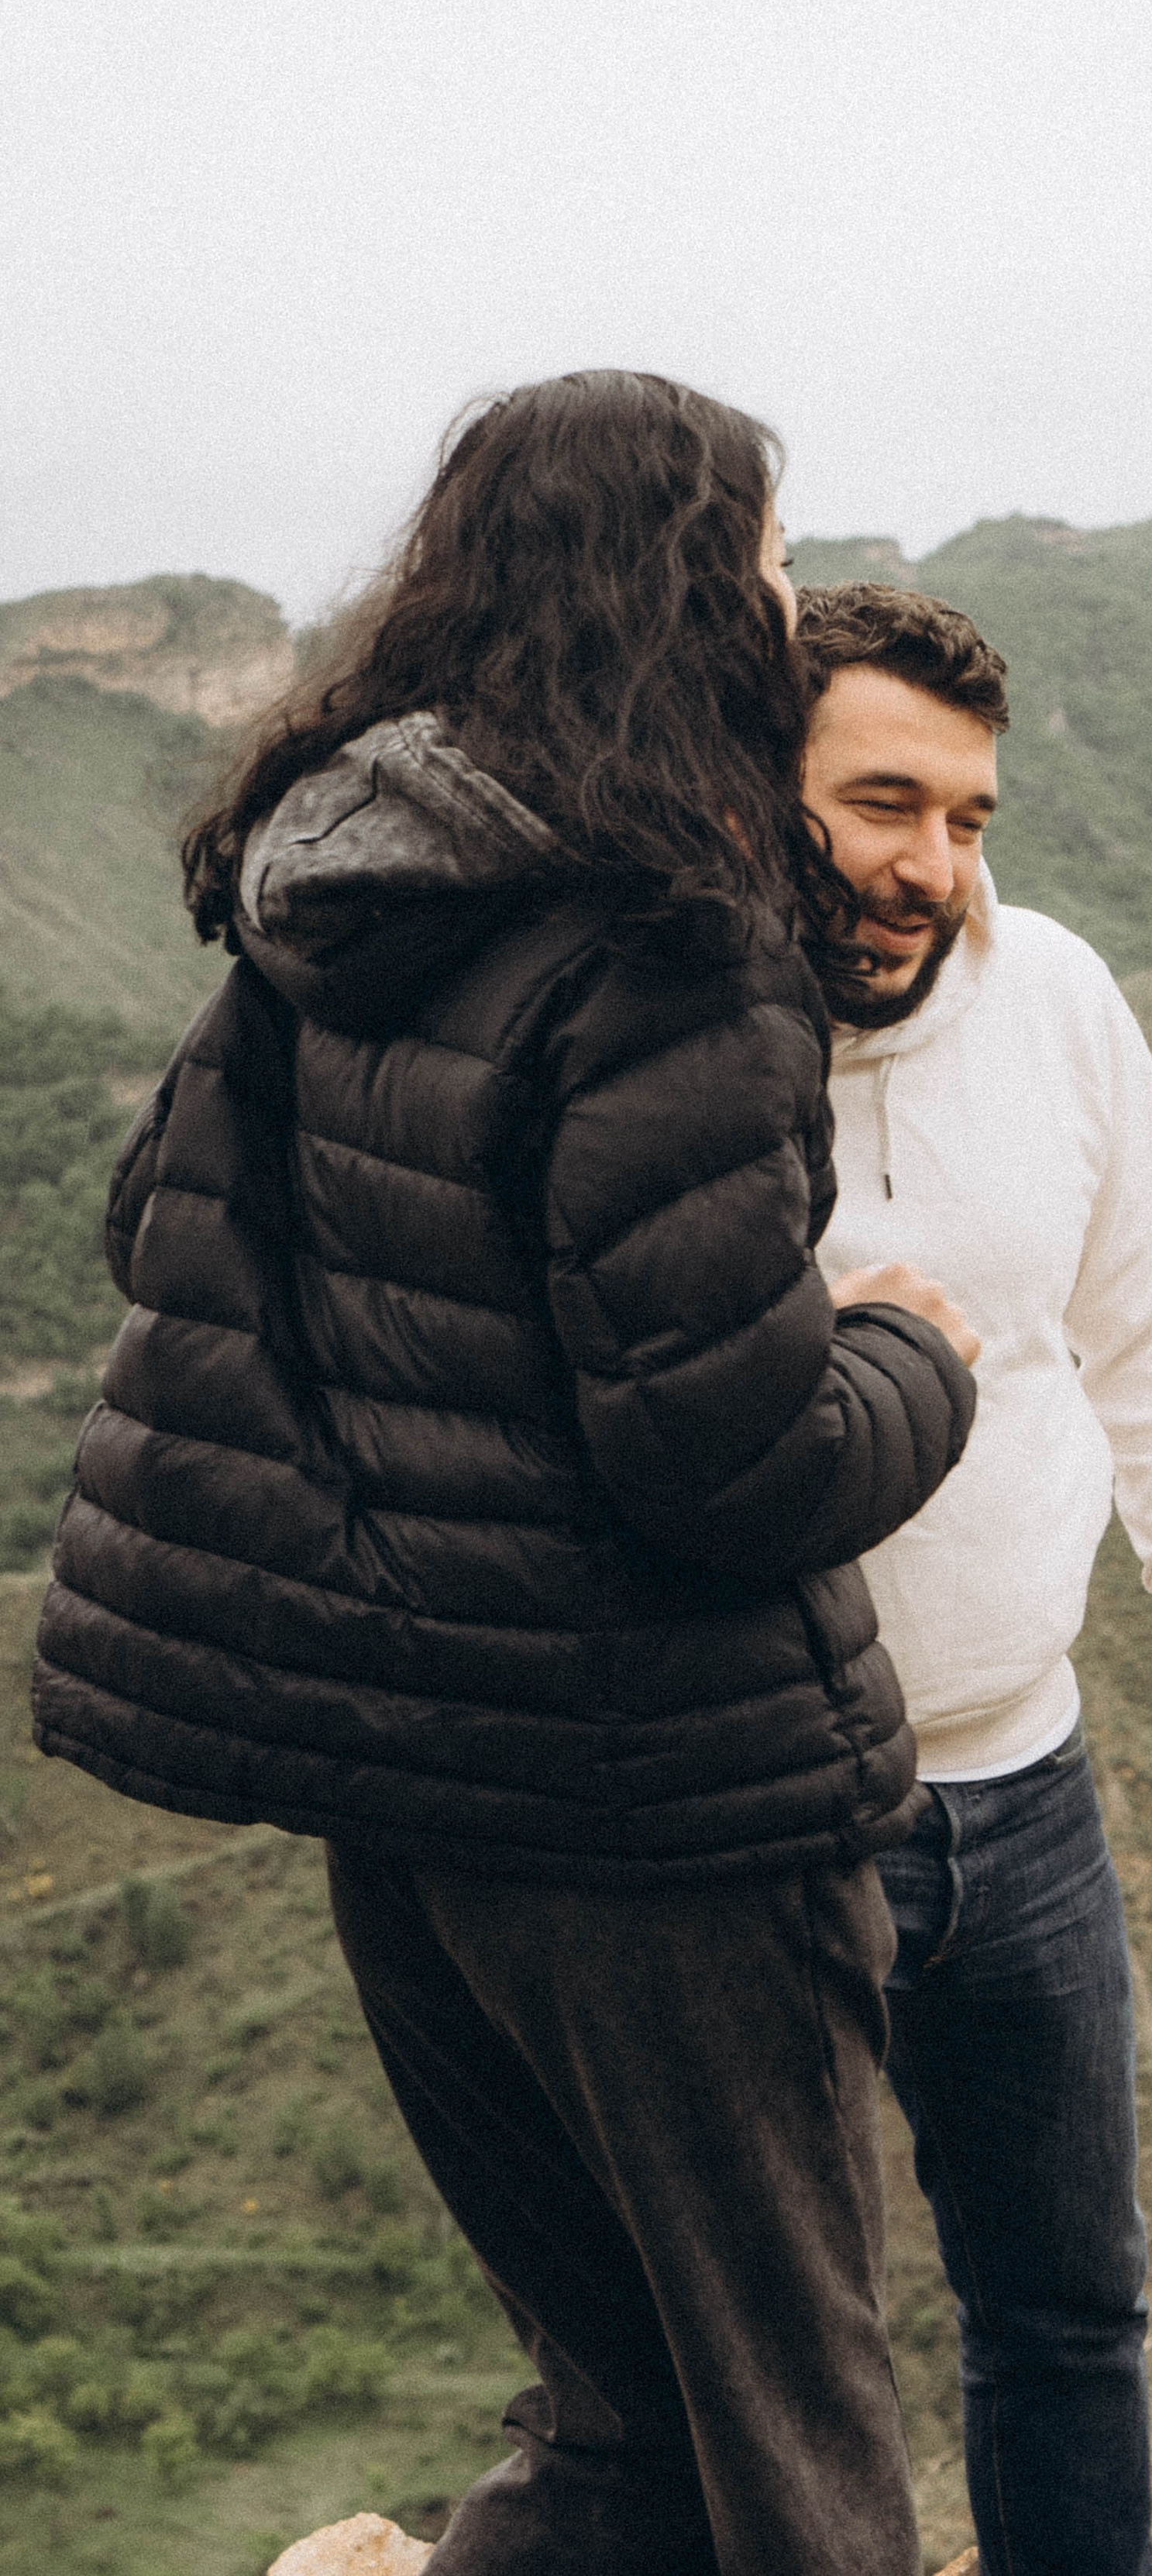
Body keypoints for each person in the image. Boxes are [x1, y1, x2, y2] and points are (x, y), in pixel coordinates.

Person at [33, 375, 981, 2576]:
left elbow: (192, 1285)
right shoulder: (666, 946)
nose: (778, 605)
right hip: (654, 1817)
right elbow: (729, 1461)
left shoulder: (334, 900)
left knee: (623, 2428)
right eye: (756, 564)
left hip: (409, 1801)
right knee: (793, 2455)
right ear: (675, 591)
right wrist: (913, 1363)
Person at [796, 580, 1152, 2576]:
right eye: (879, 802)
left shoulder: (1058, 996)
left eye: (968, 818)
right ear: (765, 783)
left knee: (1068, 2314)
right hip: (763, 1813)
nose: (927, 866)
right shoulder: (672, 1035)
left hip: (1022, 1791)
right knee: (775, 2358)